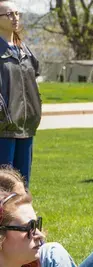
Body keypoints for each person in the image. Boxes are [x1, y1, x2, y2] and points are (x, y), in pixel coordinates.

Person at [0, 2, 41, 185]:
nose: (15, 18)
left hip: (26, 126)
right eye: (9, 14)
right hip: (3, 128)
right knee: (5, 183)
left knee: (23, 181)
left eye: (17, 13)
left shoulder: (25, 51)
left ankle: (23, 214)